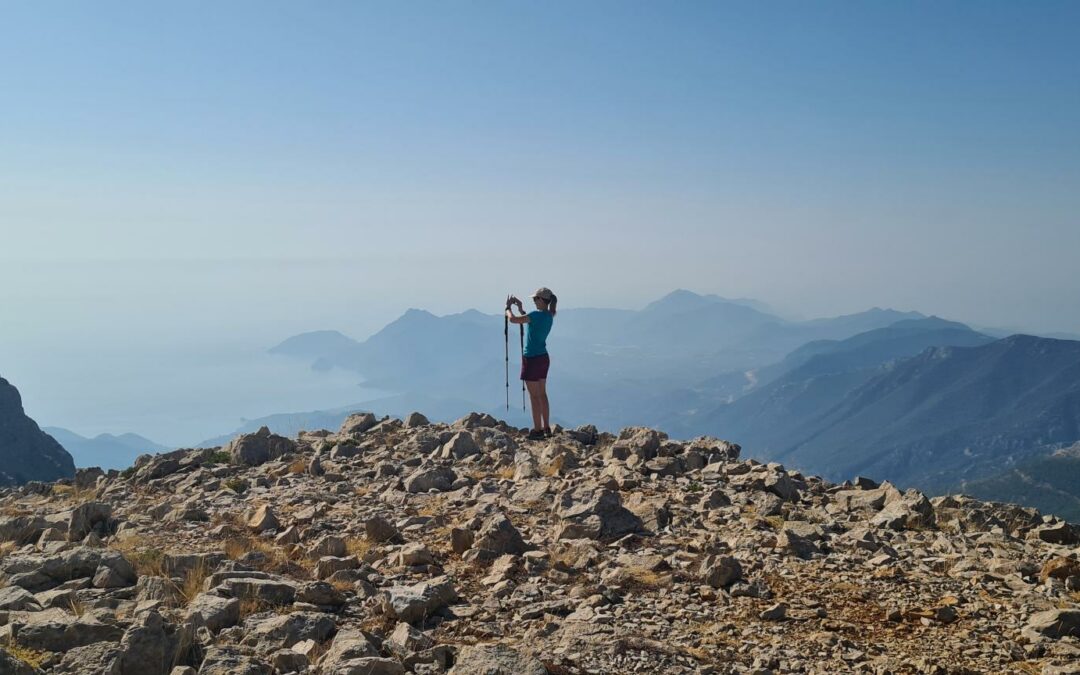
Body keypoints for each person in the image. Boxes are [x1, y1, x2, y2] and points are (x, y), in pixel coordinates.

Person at [506, 287, 557, 439]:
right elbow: (529, 320)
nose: (534, 301)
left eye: (535, 299)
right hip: (543, 357)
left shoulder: (536, 315)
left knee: (533, 396)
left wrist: (508, 309)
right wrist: (521, 308)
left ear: (542, 300)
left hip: (531, 358)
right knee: (542, 394)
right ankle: (547, 427)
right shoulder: (549, 315)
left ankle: (537, 430)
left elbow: (513, 320)